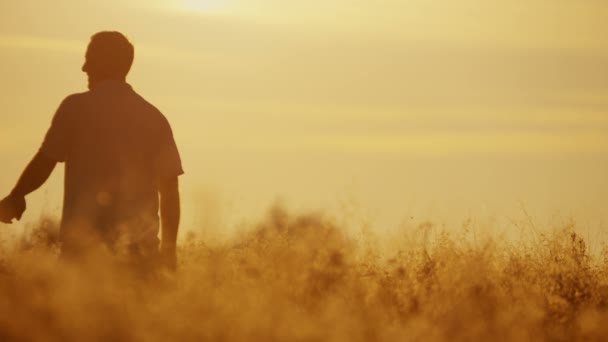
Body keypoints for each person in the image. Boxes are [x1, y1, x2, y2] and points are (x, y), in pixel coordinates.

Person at [0, 31, 183, 271]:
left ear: (104, 62)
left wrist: (17, 195)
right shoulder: (155, 118)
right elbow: (169, 192)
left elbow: (46, 160)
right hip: (140, 261)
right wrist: (169, 252)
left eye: (89, 59)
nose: (84, 67)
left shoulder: (75, 108)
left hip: (82, 259)